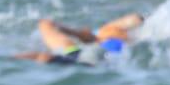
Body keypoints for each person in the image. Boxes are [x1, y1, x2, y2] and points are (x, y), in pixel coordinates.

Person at [15, 13, 144, 66]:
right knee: (46, 57)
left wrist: (78, 34)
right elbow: (136, 19)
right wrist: (83, 35)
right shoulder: (111, 33)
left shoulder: (107, 31)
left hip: (74, 51)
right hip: (94, 53)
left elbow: (46, 24)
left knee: (44, 56)